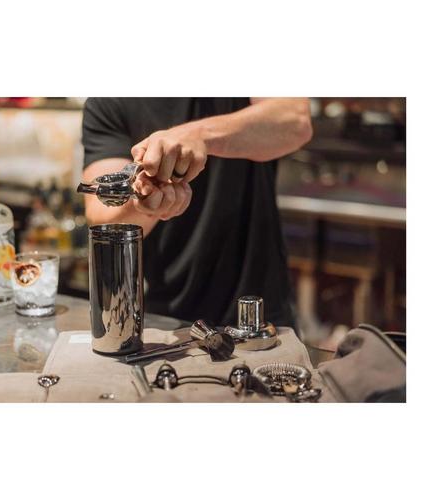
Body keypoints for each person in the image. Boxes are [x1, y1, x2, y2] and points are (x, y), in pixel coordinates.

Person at [82, 98, 312, 329]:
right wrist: (146, 198)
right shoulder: (108, 101)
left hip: (260, 314)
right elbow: (101, 213)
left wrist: (196, 135)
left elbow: (295, 120)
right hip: (169, 319)